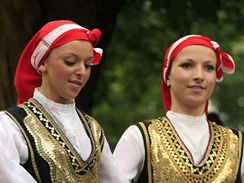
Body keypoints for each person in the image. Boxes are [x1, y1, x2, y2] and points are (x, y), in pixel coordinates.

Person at [0, 20, 127, 183]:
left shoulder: (93, 129)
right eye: (70, 61)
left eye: (88, 64)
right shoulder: (10, 125)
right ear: (42, 63)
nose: (81, 71)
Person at [113, 35, 244, 182]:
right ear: (167, 75)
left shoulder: (237, 144)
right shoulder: (140, 136)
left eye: (208, 67)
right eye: (187, 65)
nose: (199, 76)